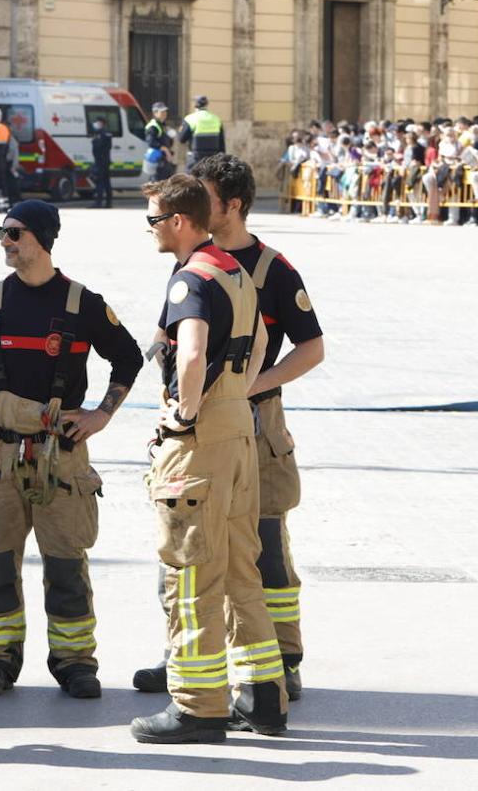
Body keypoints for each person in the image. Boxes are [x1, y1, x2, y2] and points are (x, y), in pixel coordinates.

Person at [132, 154, 323, 704]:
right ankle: (198, 661)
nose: (189, 197)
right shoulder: (206, 264)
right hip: (224, 418)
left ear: (231, 205)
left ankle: (281, 661)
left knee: (252, 551)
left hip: (251, 428)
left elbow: (312, 347)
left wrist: (249, 386)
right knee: (213, 553)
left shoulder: (269, 269)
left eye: (204, 193)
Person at [0, 200, 143, 700]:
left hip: (62, 454)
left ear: (43, 238)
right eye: (1, 233)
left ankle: (75, 662)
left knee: (66, 564)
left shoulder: (82, 303)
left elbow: (129, 358)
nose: (5, 242)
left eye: (14, 233)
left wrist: (101, 415)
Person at [177, 95, 225, 171]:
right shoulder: (216, 119)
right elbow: (221, 144)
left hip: (195, 159)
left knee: (192, 181)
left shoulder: (190, 119)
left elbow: (181, 139)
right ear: (207, 104)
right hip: (212, 159)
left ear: (194, 105)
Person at [144, 102, 175, 181]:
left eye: (165, 111)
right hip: (158, 162)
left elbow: (167, 141)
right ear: (155, 113)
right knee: (158, 185)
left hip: (165, 161)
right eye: (162, 112)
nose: (165, 114)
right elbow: (151, 142)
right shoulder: (153, 126)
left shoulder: (162, 125)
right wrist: (165, 149)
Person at [89, 116, 113, 209]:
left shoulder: (102, 134)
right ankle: (108, 203)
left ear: (102, 123)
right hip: (104, 161)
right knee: (106, 182)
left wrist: (95, 141)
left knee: (100, 182)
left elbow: (100, 147)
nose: (95, 124)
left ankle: (98, 202)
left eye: (97, 122)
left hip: (101, 161)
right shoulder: (103, 133)